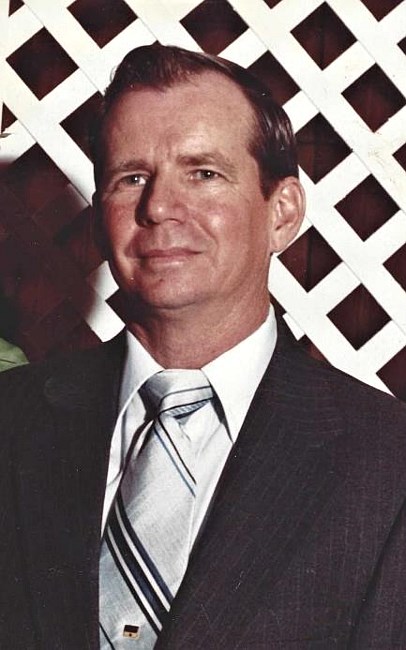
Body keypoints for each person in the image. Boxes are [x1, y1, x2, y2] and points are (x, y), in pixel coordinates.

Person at [1, 44, 406, 650]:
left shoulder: (389, 463)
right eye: (132, 178)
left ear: (282, 212)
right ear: (100, 217)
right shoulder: (11, 418)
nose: (160, 207)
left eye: (204, 173)